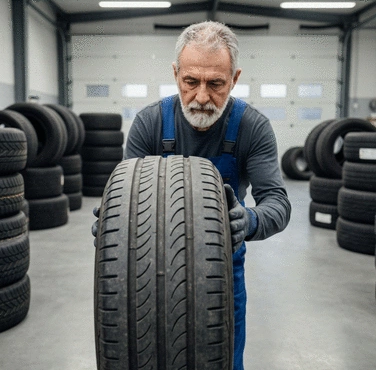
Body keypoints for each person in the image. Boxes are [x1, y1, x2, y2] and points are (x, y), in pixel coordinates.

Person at [93, 21, 291, 370]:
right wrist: (114, 225)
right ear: (175, 74)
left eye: (216, 84)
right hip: (146, 268)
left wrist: (250, 219)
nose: (202, 97)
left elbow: (278, 203)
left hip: (221, 269)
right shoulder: (150, 123)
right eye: (191, 82)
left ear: (234, 78)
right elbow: (124, 194)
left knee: (223, 360)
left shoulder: (252, 127)